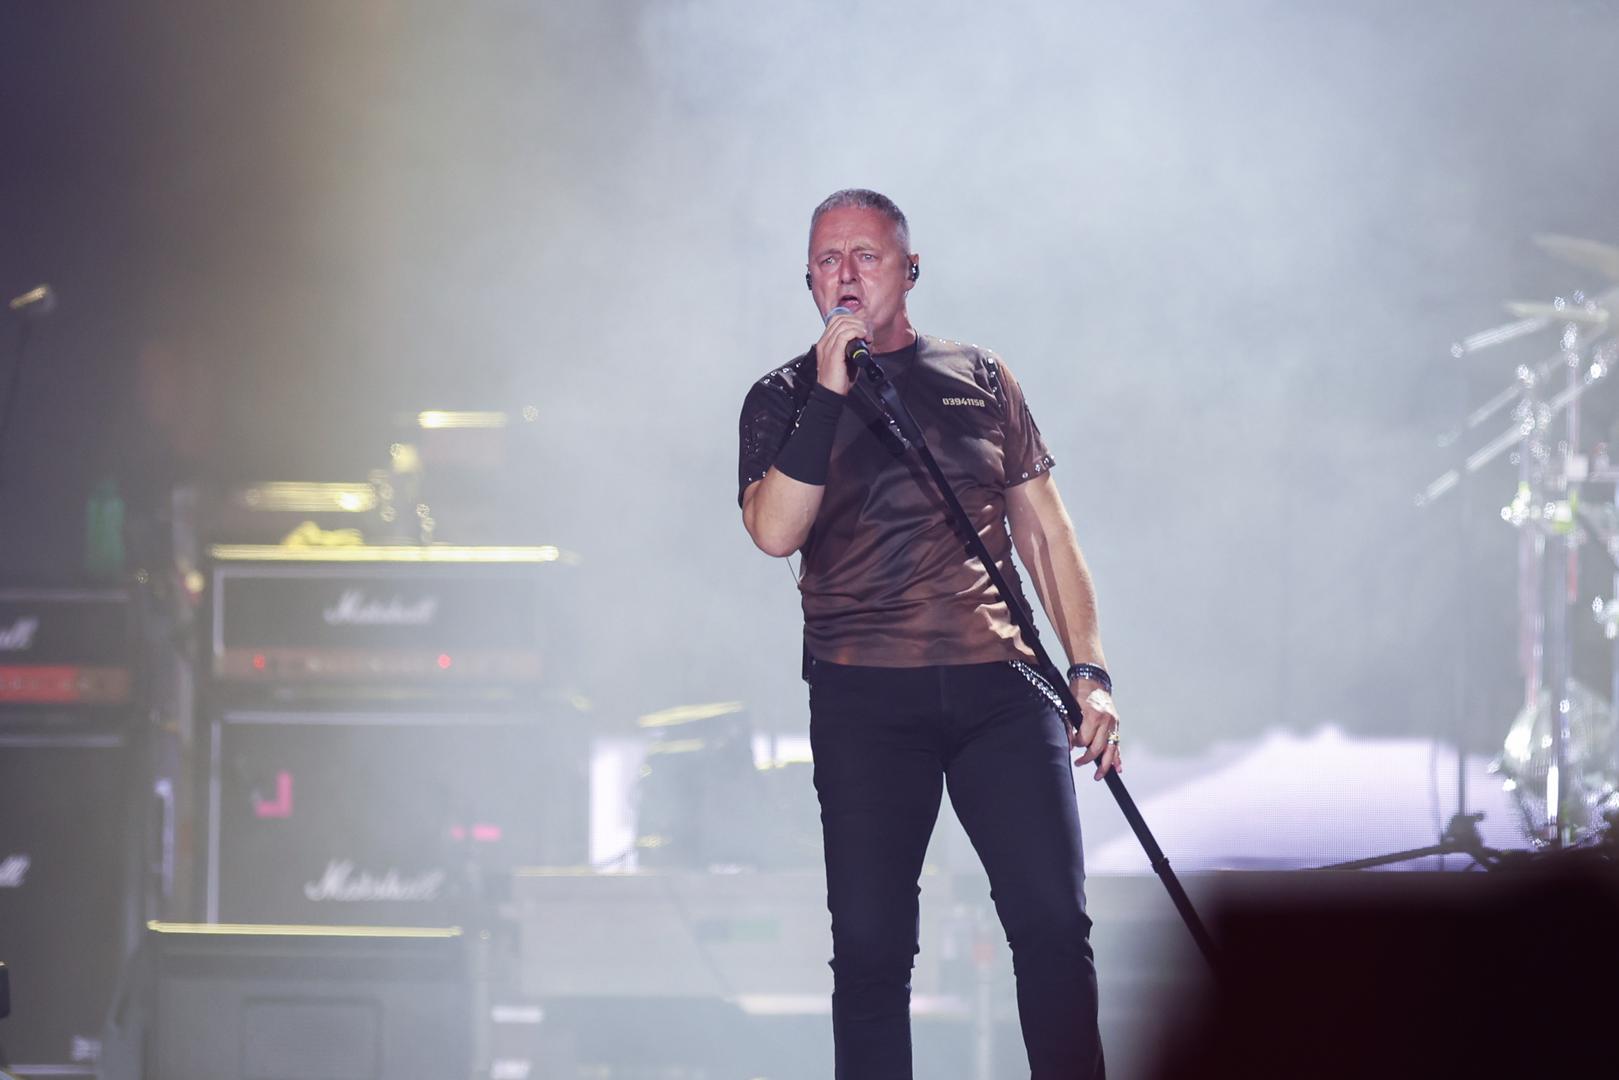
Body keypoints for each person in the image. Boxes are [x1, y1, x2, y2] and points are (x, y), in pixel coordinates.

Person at [736, 188, 1120, 1079]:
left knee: (1052, 927)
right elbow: (774, 532)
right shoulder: (782, 397)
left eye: (865, 256)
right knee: (871, 950)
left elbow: (1045, 533)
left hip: (1001, 686)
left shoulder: (978, 376)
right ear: (807, 279)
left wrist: (1090, 672)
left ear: (908, 270)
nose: (845, 273)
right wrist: (829, 394)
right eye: (826, 260)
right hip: (864, 695)